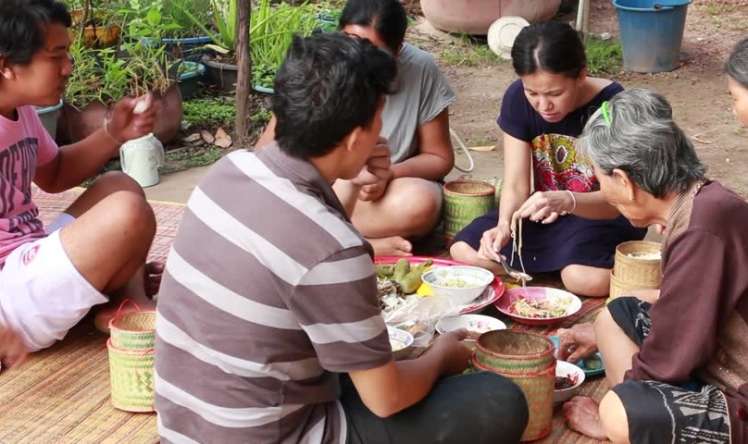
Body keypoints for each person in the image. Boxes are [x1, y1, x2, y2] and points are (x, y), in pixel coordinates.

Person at [155, 33, 528, 444]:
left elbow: (308, 238)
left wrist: (350, 177)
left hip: (185, 427)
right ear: (354, 137)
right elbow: (388, 399)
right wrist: (442, 357)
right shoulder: (332, 249)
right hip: (276, 434)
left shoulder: (229, 171)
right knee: (498, 399)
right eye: (377, 124)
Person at [557, 88, 748, 444]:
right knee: (614, 316)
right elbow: (682, 306)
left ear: (624, 182)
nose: (604, 190)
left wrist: (619, 409)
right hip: (718, 356)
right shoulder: (701, 203)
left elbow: (672, 358)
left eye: (601, 179)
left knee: (622, 411)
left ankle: (623, 429)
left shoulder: (703, 227)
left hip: (740, 389)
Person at [0, 0, 159, 355]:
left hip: (28, 258)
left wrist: (114, 133)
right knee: (126, 213)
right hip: (8, 301)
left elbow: (55, 174)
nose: (68, 67)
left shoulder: (20, 110)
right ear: (7, 66)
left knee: (120, 186)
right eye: (56, 56)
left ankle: (122, 301)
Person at [450, 22, 645, 297]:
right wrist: (505, 225)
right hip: (547, 213)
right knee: (464, 249)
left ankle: (548, 266)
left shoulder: (611, 106)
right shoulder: (516, 98)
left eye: (555, 94)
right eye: (533, 93)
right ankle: (548, 266)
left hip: (602, 214)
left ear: (581, 75)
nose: (543, 105)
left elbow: (619, 201)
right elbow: (517, 183)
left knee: (583, 279)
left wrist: (568, 200)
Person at [256, 0, 456, 258]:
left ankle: (327, 240)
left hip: (368, 198)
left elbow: (439, 157)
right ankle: (359, 244)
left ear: (398, 51)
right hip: (313, 191)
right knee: (274, 191)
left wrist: (386, 174)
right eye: (350, 42)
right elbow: (266, 153)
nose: (360, 59)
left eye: (374, 52)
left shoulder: (419, 70)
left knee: (422, 202)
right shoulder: (320, 65)